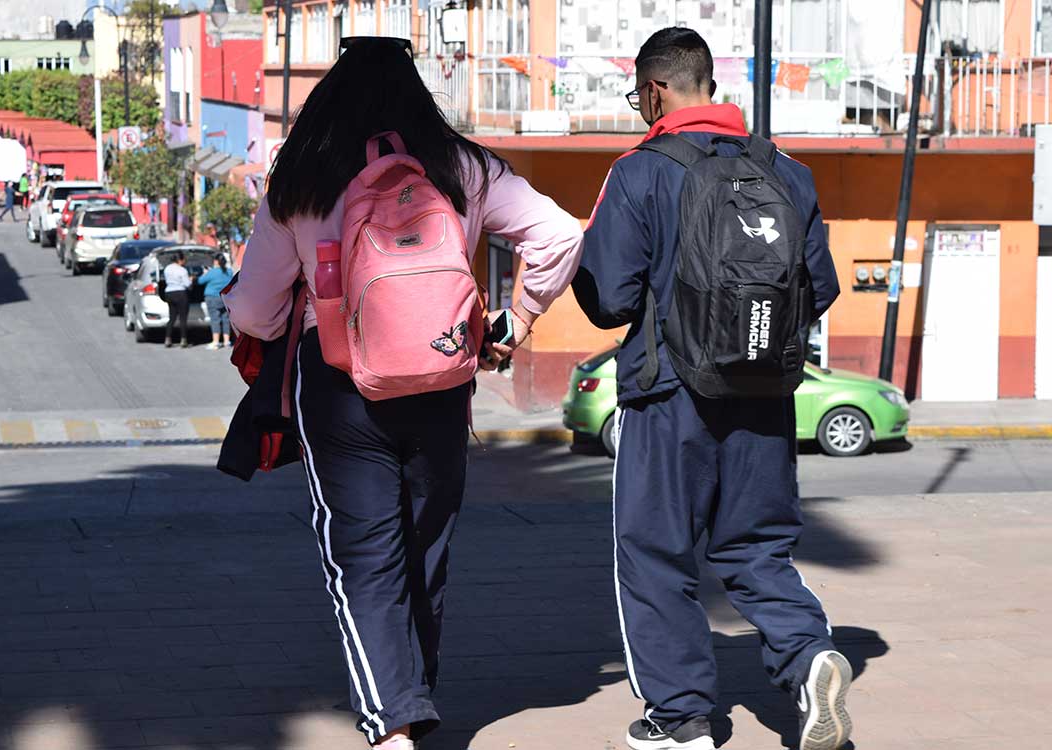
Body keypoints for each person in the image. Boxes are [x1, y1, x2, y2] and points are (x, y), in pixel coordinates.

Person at [223, 38, 582, 750]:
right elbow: (560, 235)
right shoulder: (462, 166)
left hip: (340, 387)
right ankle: (410, 703)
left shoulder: (302, 177)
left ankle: (392, 726)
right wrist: (514, 321)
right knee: (425, 549)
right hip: (444, 379)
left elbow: (255, 313)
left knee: (362, 556)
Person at [572, 28, 847, 750]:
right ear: (710, 86)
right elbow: (820, 287)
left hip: (667, 396)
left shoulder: (638, 171)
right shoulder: (786, 170)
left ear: (655, 90)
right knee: (758, 549)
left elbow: (609, 299)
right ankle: (808, 652)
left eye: (638, 95)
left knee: (655, 554)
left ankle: (681, 717)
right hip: (764, 392)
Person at [197, 255, 234, 350]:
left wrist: (205, 273)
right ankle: (226, 341)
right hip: (225, 298)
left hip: (212, 298)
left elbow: (200, 281)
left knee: (215, 319)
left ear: (216, 261)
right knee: (226, 319)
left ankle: (216, 342)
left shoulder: (212, 272)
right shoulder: (229, 271)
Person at [162, 252, 193, 348]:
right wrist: (191, 279)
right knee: (182, 318)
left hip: (169, 293)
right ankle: (183, 340)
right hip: (180, 293)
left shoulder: (167, 268)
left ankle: (168, 338)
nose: (185, 261)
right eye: (184, 259)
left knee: (172, 317)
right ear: (180, 260)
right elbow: (187, 285)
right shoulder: (182, 270)